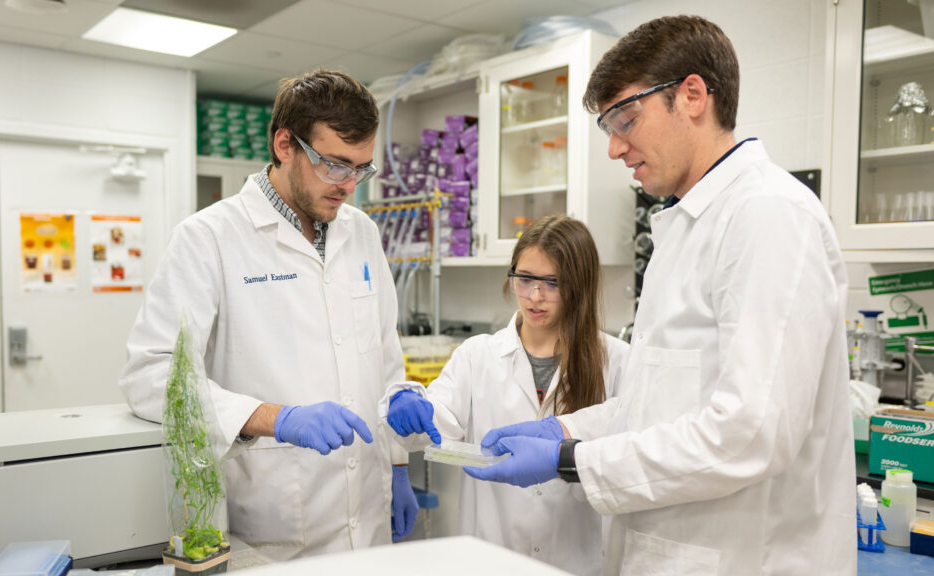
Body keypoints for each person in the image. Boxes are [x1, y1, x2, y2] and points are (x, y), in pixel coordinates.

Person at [465, 15, 856, 575]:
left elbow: (752, 432)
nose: (615, 148)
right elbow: (661, 405)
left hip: (745, 559)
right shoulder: (685, 224)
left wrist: (571, 458)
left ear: (692, 96)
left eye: (625, 118)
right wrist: (567, 428)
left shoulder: (768, 215)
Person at [119, 69, 417, 560]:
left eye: (361, 169)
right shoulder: (208, 238)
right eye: (334, 165)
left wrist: (400, 465)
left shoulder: (361, 232)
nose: (348, 187)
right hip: (275, 528)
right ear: (285, 144)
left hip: (368, 516)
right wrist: (273, 418)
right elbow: (150, 376)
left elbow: (385, 354)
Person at [378, 215, 627, 574]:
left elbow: (634, 446)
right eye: (524, 279)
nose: (534, 296)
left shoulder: (616, 361)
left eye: (552, 283)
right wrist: (411, 411)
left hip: (579, 562)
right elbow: (436, 426)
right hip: (491, 558)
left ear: (580, 285)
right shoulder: (477, 355)